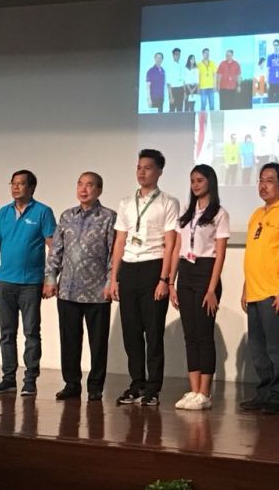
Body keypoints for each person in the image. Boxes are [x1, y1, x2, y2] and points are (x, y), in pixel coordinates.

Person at [109, 149, 180, 406]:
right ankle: (136, 383)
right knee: (131, 332)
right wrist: (114, 277)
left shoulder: (168, 202)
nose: (141, 172)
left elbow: (171, 244)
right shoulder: (126, 203)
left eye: (148, 167)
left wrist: (165, 279)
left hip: (153, 267)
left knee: (153, 332)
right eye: (139, 167)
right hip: (129, 268)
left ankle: (153, 388)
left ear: (159, 171)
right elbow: (119, 241)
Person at [44, 172, 116, 402]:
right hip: (68, 290)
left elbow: (114, 253)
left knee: (98, 343)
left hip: (97, 292)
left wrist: (110, 282)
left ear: (99, 190)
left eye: (90, 185)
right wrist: (50, 279)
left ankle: (95, 386)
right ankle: (71, 383)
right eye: (80, 184)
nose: (84, 189)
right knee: (69, 340)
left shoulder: (109, 217)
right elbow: (56, 250)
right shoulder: (66, 216)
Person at [240, 163, 279, 414]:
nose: (263, 185)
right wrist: (246, 287)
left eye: (269, 180)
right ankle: (265, 392)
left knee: (278, 348)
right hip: (255, 291)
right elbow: (253, 254)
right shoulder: (257, 214)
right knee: (258, 348)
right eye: (260, 180)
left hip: (275, 292)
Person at [0, 170, 57, 395]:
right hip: (5, 282)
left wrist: (50, 279)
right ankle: (8, 378)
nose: (16, 187)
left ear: (32, 187)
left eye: (21, 184)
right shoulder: (2, 212)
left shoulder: (43, 212)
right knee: (7, 333)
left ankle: (30, 380)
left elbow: (53, 247)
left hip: (30, 283)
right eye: (13, 183)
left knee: (31, 332)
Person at [168, 165, 230, 410]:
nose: (195, 185)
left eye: (200, 180)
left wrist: (212, 288)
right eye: (192, 180)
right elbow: (176, 247)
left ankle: (205, 392)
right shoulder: (186, 212)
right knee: (189, 335)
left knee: (204, 335)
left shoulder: (219, 213)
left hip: (206, 272)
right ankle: (193, 390)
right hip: (186, 272)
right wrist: (170, 282)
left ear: (210, 183)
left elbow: (221, 254)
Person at [166, 48, 185, 113]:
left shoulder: (181, 65)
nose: (178, 56)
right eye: (176, 54)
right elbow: (168, 83)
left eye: (179, 54)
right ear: (173, 55)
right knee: (172, 110)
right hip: (173, 90)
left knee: (180, 110)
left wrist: (184, 92)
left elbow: (183, 81)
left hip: (181, 90)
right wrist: (171, 96)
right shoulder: (170, 66)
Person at [267, 39, 279, 104]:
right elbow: (268, 70)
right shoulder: (270, 57)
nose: (275, 47)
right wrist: (267, 82)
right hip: (271, 81)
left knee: (278, 100)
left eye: (277, 45)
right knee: (270, 99)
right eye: (274, 45)